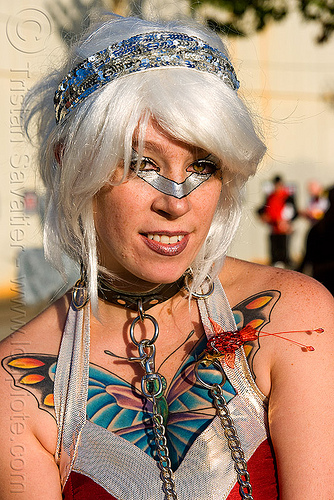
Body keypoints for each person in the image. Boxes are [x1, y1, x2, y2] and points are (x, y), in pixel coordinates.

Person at [0, 14, 333, 500]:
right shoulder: (17, 383)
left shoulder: (296, 315)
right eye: (142, 164)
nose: (176, 201)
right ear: (72, 163)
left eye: (203, 164)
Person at [258, 175, 298, 267]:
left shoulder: (287, 197)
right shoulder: (270, 197)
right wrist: (263, 216)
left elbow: (294, 212)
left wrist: (287, 223)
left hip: (284, 230)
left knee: (284, 253)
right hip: (273, 228)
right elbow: (262, 209)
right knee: (274, 253)